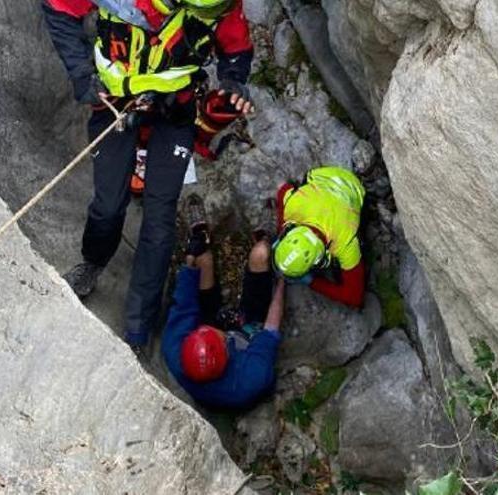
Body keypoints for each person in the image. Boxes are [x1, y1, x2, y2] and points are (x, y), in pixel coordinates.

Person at [42, 0, 254, 348]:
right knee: (108, 205)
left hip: (175, 111)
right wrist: (82, 75)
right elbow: (58, 8)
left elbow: (237, 50)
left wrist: (233, 82)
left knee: (159, 218)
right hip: (115, 101)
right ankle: (92, 263)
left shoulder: (221, 6)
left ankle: (139, 327)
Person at [162, 196, 283, 409]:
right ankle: (265, 241)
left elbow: (184, 302)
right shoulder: (252, 377)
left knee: (202, 260)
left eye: (203, 330)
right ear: (227, 350)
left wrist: (191, 257)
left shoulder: (176, 350)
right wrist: (282, 281)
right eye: (213, 332)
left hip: (222, 341)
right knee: (261, 255)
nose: (210, 329)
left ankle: (201, 238)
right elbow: (271, 328)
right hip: (248, 335)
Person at [274, 165, 366, 308]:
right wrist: (280, 228)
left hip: (354, 189)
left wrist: (312, 282)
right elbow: (282, 190)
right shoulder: (293, 205)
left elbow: (354, 297)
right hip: (326, 176)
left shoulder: (345, 244)